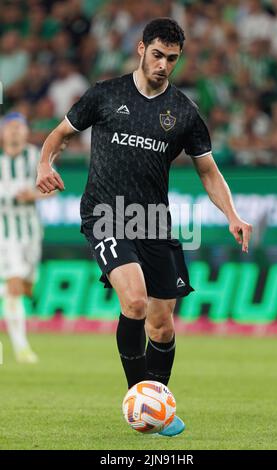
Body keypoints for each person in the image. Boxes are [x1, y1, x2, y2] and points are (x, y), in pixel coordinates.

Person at [36, 18, 252, 436]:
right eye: (157, 55)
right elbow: (59, 135)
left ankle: (156, 401)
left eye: (172, 58)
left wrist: (232, 214)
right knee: (133, 302)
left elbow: (208, 171)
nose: (164, 65)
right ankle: (140, 398)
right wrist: (45, 162)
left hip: (153, 220)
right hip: (105, 213)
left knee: (162, 323)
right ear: (140, 49)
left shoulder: (184, 112)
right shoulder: (105, 95)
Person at [0, 112, 48, 363]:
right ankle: (22, 348)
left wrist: (34, 196)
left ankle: (5, 290)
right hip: (4, 234)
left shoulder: (35, 157)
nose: (15, 131)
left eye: (20, 127)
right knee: (15, 285)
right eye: (11, 127)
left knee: (27, 287)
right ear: (3, 132)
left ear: (27, 132)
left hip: (31, 232)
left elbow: (53, 190)